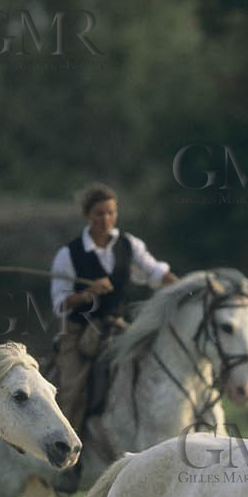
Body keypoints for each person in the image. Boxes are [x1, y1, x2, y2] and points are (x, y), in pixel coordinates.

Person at [48, 183, 178, 436]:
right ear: (88, 216)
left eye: (111, 213)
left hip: (117, 327)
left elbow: (155, 273)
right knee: (72, 391)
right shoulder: (69, 254)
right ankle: (65, 455)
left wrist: (185, 288)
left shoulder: (129, 245)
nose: (106, 219)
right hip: (79, 332)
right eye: (99, 214)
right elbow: (59, 303)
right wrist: (88, 293)